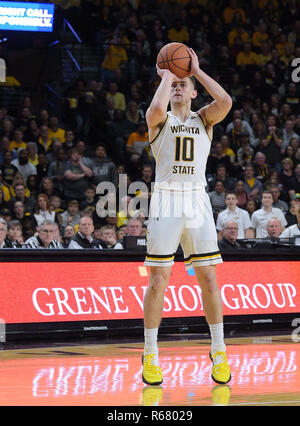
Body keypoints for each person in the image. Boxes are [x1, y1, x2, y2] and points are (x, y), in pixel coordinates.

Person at [142, 48, 232, 387]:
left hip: (196, 199)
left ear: (194, 91)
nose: (178, 88)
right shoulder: (159, 119)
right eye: (174, 85)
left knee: (208, 278)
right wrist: (168, 74)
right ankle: (150, 353)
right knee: (158, 280)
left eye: (184, 85)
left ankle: (219, 350)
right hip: (166, 200)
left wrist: (196, 70)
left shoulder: (204, 118)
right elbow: (154, 108)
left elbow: (225, 102)